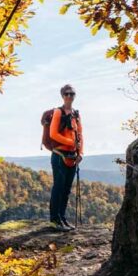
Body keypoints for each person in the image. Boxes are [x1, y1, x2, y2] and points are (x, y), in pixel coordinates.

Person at [48, 83, 83, 230]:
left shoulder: (76, 114)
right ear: (62, 95)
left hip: (72, 156)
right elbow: (53, 134)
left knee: (67, 189)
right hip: (59, 155)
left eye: (72, 94)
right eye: (67, 94)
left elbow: (80, 135)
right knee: (58, 187)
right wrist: (71, 142)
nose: (69, 96)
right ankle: (55, 220)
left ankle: (62, 218)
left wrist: (80, 152)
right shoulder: (58, 112)